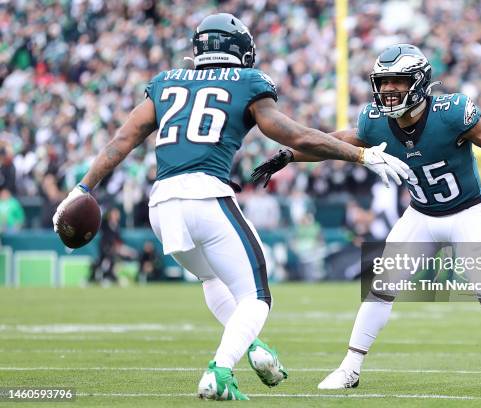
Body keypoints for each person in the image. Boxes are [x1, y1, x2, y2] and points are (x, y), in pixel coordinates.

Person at [52, 14, 410, 401]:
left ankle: (253, 348)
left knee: (213, 280)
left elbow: (120, 142)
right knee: (257, 296)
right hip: (206, 197)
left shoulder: (166, 82)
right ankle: (220, 371)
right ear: (238, 50)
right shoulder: (247, 82)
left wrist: (80, 189)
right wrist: (362, 155)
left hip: (162, 205)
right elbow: (295, 135)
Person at [251, 44, 481, 392]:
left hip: (467, 212)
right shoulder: (374, 121)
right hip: (421, 214)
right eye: (383, 82)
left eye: (397, 81)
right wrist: (288, 156)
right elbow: (333, 143)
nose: (387, 90)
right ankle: (350, 368)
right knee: (380, 289)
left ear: (418, 82)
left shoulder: (451, 113)